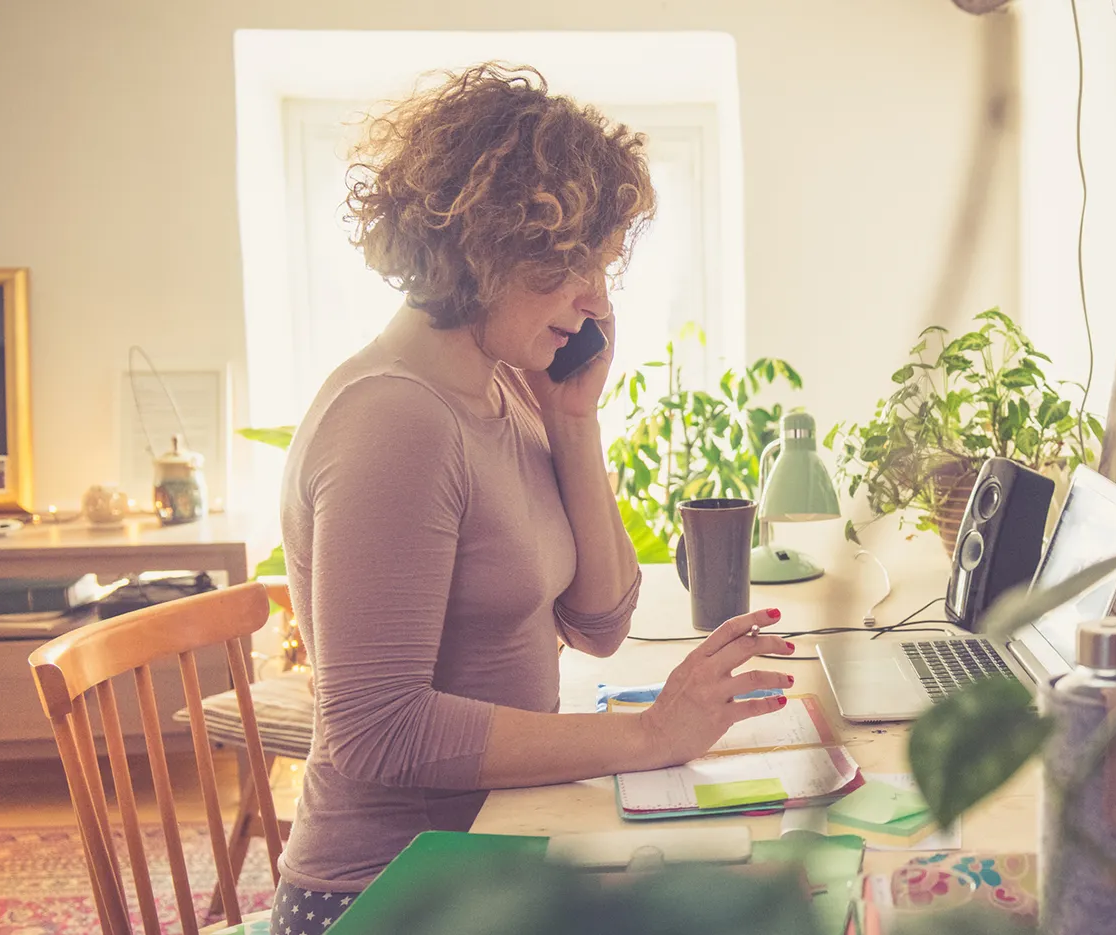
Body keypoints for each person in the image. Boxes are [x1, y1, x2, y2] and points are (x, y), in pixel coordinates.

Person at [271, 63, 794, 932]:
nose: (595, 301)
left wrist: (575, 421)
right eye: (565, 269)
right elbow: (374, 728)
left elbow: (599, 623)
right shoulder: (396, 419)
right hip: (382, 893)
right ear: (478, 249)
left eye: (599, 267)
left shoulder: (506, 386)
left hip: (491, 854)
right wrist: (649, 734)